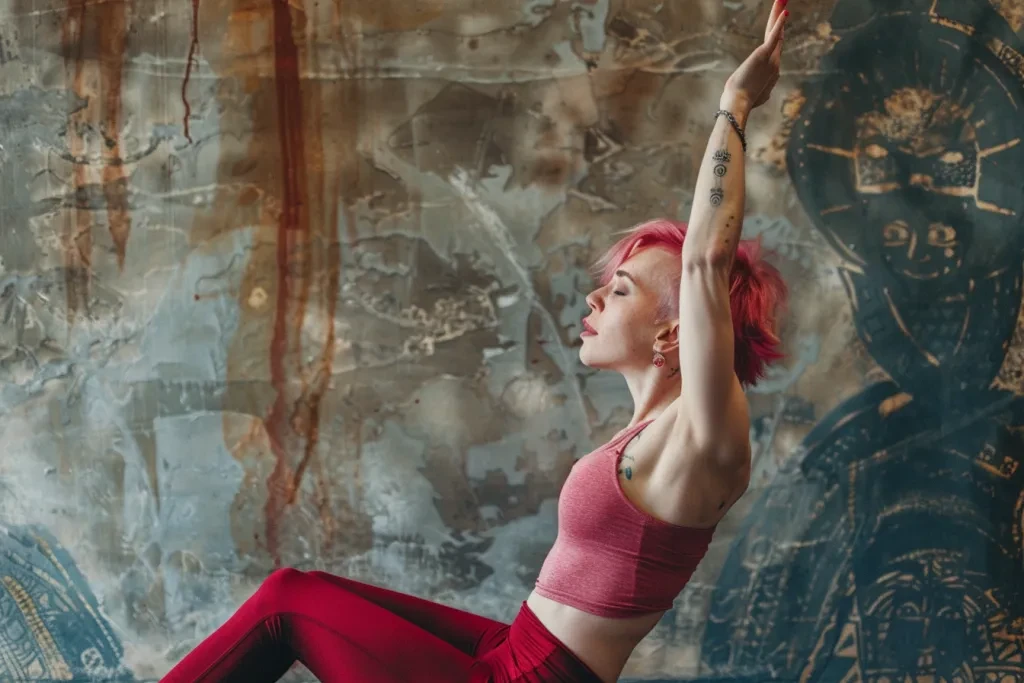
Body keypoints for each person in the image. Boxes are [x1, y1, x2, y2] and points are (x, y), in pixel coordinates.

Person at [160, 3, 790, 682]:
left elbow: (704, 262)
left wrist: (735, 103)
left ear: (676, 329)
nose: (595, 297)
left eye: (623, 289)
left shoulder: (705, 436)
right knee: (303, 585)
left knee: (286, 600)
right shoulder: (646, 430)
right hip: (512, 647)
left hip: (529, 677)